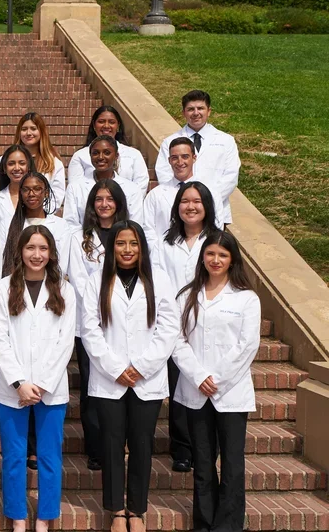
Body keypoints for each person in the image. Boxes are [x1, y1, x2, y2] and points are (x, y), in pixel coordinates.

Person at [81, 220, 180, 532]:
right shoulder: (97, 279)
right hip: (109, 379)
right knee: (111, 445)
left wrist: (141, 366)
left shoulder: (159, 280)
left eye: (133, 244)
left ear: (142, 248)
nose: (127, 250)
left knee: (141, 444)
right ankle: (116, 510)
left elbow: (168, 327)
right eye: (121, 243)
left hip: (145, 379)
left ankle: (136, 510)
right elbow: (90, 328)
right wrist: (116, 368)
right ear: (112, 248)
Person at [171, 230, 260, 532]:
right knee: (203, 462)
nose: (216, 259)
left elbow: (247, 345)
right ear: (203, 257)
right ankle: (204, 521)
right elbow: (177, 341)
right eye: (210, 253)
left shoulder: (247, 298)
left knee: (232, 463)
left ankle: (228, 525)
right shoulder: (186, 295)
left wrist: (216, 379)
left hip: (230, 392)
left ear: (232, 258)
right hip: (196, 390)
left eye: (222, 254)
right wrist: (199, 376)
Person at [0, 226, 76, 532]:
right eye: (30, 248)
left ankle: (44, 518)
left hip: (50, 390)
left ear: (51, 252)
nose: (36, 255)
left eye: (43, 248)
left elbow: (65, 341)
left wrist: (40, 384)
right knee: (14, 457)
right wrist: (19, 382)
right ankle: (17, 517)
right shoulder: (3, 289)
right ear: (20, 251)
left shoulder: (65, 290)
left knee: (49, 457)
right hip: (13, 389)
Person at [151, 180, 222, 473]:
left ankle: (205, 446)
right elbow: (155, 281)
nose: (190, 207)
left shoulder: (217, 240)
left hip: (209, 320)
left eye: (196, 202)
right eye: (184, 201)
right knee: (178, 383)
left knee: (205, 382)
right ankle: (181, 447)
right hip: (172, 322)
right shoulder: (164, 242)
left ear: (206, 206)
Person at [66, 179, 130, 471]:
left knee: (122, 386)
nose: (104, 204)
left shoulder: (130, 235)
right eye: (99, 199)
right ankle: (96, 448)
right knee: (93, 388)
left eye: (110, 199)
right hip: (90, 322)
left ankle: (118, 444)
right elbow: (79, 280)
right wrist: (102, 304)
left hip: (125, 323)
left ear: (118, 203)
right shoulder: (80, 237)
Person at [155, 90, 240, 225]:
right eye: (190, 109)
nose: (196, 113)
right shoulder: (170, 142)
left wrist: (207, 200)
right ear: (183, 113)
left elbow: (231, 176)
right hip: (181, 211)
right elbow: (164, 173)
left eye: (200, 108)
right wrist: (184, 200)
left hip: (215, 210)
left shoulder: (226, 141)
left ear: (209, 111)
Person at [143, 138, 222, 245]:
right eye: (175, 158)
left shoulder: (211, 192)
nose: (180, 162)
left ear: (194, 158)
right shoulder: (155, 195)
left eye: (185, 157)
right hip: (163, 256)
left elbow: (216, 226)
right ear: (169, 160)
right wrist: (158, 253)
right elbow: (148, 229)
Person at [63, 135, 144, 228]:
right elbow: (70, 223)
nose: (101, 157)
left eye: (107, 152)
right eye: (95, 153)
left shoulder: (132, 189)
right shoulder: (75, 187)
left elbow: (135, 224)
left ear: (116, 156)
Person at [0, 171, 70, 277]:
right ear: (21, 193)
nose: (31, 194)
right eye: (26, 190)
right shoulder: (6, 224)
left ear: (46, 193)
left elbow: (62, 264)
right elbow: (3, 259)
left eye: (37, 189)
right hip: (16, 285)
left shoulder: (60, 225)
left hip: (50, 285)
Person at [68, 105, 150, 194]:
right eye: (101, 121)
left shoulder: (134, 154)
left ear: (118, 126)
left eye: (111, 122)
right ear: (94, 125)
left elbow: (140, 186)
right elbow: (75, 190)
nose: (106, 126)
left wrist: (121, 204)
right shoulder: (80, 156)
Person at [14, 112, 66, 207]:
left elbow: (56, 197)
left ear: (41, 132)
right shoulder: (6, 161)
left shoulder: (54, 163)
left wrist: (37, 214)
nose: (28, 133)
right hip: (13, 216)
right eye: (24, 129)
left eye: (33, 129)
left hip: (42, 217)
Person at [0, 145, 36, 239]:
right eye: (11, 163)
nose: (17, 168)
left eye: (22, 163)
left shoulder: (38, 199)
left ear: (28, 166)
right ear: (4, 168)